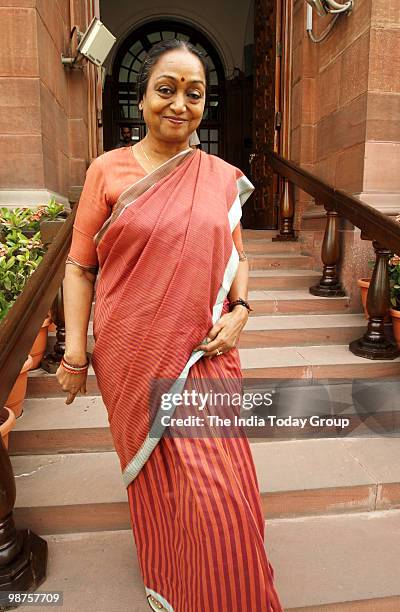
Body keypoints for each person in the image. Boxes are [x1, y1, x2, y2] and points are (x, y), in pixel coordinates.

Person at [57, 39, 283, 612]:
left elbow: (238, 259)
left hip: (206, 353)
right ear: (142, 98)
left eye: (195, 93)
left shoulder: (222, 177)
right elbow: (81, 266)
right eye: (166, 89)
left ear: (206, 103)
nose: (180, 104)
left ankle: (229, 588)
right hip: (131, 350)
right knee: (162, 478)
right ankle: (173, 574)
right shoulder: (107, 170)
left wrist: (241, 313)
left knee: (218, 488)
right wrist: (74, 354)